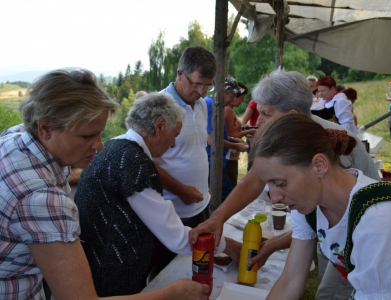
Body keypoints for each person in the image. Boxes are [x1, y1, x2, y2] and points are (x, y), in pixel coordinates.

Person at [0, 68, 209, 300]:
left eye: (99, 134)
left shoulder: (15, 137)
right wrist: (173, 293)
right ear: (45, 128)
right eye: (86, 136)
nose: (99, 145)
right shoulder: (42, 199)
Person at [190, 70, 381, 300]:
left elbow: (335, 225)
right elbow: (256, 182)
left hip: (363, 239)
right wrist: (217, 219)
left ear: (290, 115)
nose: (257, 121)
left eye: (265, 114)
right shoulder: (298, 165)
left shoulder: (329, 147)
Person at [74, 92, 240, 297]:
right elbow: (176, 238)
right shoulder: (133, 161)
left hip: (98, 263)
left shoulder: (114, 145)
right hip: (113, 276)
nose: (172, 144)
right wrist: (227, 245)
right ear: (160, 126)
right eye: (175, 135)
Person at [251, 114, 391, 299]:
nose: (274, 198)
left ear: (319, 165)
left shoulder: (375, 219)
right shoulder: (308, 202)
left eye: (280, 183)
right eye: (269, 185)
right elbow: (291, 280)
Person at [154, 46, 216, 227]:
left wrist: (203, 185)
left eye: (208, 85)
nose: (202, 91)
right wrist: (180, 191)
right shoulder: (158, 106)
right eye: (197, 84)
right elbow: (145, 161)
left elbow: (196, 149)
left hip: (200, 204)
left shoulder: (202, 104)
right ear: (180, 74)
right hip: (171, 211)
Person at [205, 76, 248, 200]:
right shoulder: (212, 106)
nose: (233, 100)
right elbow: (211, 140)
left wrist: (232, 140)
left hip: (216, 161)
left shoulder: (215, 105)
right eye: (232, 96)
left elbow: (215, 135)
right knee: (227, 199)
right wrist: (235, 146)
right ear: (223, 92)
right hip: (212, 162)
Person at [224, 81, 255, 187]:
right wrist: (249, 132)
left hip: (232, 155)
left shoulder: (230, 110)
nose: (242, 102)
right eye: (241, 98)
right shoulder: (228, 110)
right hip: (229, 155)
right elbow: (228, 136)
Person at [241, 98, 259, 171]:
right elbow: (243, 123)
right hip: (253, 138)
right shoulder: (254, 102)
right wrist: (251, 138)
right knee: (252, 165)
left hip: (266, 138)